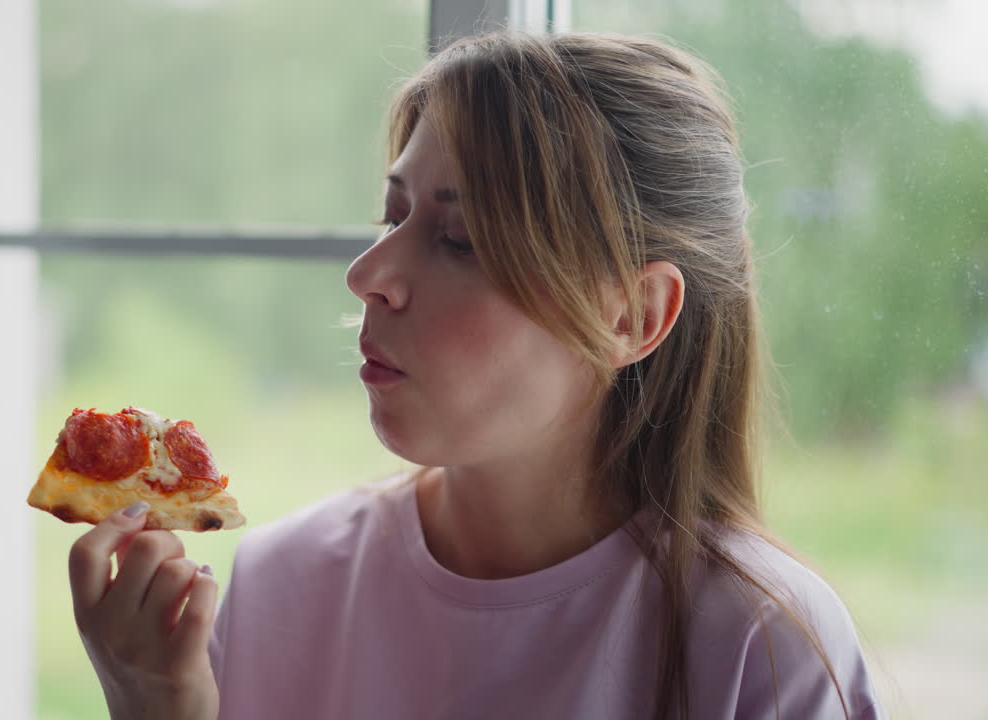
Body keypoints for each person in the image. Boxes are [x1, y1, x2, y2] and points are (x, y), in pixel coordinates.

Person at [66, 31, 882, 719]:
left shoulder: (760, 647)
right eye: (393, 215)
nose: (367, 274)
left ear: (632, 316)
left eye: (460, 240)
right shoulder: (287, 578)